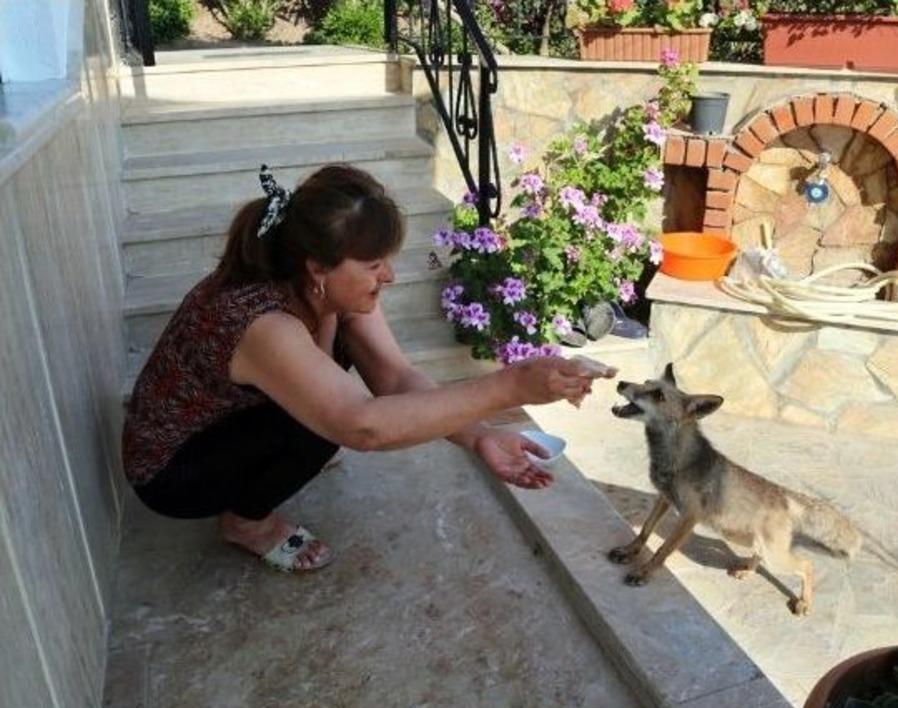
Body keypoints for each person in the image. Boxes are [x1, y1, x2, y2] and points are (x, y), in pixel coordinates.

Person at [122, 164, 608, 572]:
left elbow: (395, 378)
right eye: (375, 263)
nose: (390, 276)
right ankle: (246, 523)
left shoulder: (327, 285)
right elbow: (365, 427)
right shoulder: (262, 324)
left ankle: (272, 462)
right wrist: (512, 385)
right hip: (171, 468)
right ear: (318, 267)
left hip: (228, 419)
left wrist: (480, 434)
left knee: (329, 398)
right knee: (322, 425)